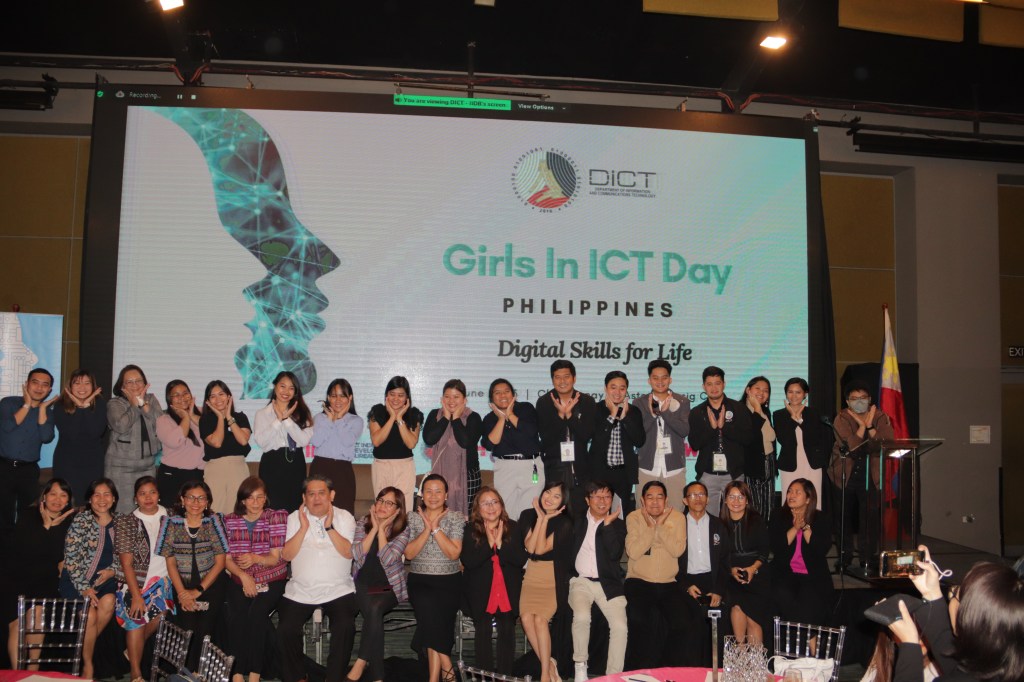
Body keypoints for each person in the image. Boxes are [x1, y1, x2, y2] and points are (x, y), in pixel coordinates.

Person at [888, 545, 1024, 682]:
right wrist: (931, 594)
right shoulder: (1002, 664)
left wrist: (910, 644)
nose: (950, 596)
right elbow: (957, 665)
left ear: (968, 619)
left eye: (953, 594)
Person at [277, 474, 357, 682]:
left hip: (338, 588)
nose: (316, 498)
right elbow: (287, 555)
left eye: (322, 493)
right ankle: (298, 677)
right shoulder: (294, 518)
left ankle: (333, 678)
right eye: (311, 494)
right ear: (304, 498)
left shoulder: (345, 517)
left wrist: (329, 527)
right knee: (285, 629)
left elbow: (348, 553)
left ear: (332, 495)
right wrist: (303, 528)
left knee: (345, 626)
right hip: (301, 589)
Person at [2, 478, 75, 670]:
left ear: (68, 500)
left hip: (45, 579)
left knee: (37, 616)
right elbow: (26, 551)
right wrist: (47, 526)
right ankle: (18, 673)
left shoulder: (70, 522)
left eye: (63, 495)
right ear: (44, 496)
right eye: (53, 494)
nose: (57, 499)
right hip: (17, 576)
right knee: (17, 624)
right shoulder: (28, 515)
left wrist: (53, 528)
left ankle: (32, 670)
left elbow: (58, 556)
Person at [157, 480, 228, 670]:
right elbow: (170, 562)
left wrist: (198, 590)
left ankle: (200, 673)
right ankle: (187, 674)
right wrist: (182, 593)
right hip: (182, 585)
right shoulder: (170, 523)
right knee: (187, 631)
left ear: (207, 501)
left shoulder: (215, 521)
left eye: (201, 498)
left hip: (211, 585)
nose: (196, 503)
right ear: (182, 500)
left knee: (204, 631)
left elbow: (220, 562)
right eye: (191, 498)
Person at [223, 476, 288, 682]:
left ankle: (254, 673)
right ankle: (236, 673)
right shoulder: (229, 520)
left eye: (260, 497)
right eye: (250, 498)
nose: (256, 502)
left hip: (272, 578)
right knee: (236, 614)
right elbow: (226, 559)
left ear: (266, 498)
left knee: (257, 613)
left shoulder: (275, 517)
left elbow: (275, 558)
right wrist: (244, 576)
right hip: (239, 578)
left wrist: (255, 558)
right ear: (242, 500)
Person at [828, 380, 894, 574]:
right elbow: (851, 447)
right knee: (843, 518)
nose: (859, 402)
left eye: (863, 398)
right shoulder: (842, 418)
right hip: (845, 474)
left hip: (871, 475)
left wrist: (870, 424)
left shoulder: (880, 417)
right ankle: (844, 557)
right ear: (847, 401)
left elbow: (886, 443)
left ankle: (868, 557)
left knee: (869, 519)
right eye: (854, 398)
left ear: (870, 399)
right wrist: (861, 426)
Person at [405, 474, 465, 682]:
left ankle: (433, 679)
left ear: (446, 495)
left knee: (434, 626)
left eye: (438, 491)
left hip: (449, 582)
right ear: (421, 495)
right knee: (432, 620)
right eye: (428, 491)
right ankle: (448, 668)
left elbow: (453, 553)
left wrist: (436, 528)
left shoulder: (456, 518)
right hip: (420, 581)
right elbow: (409, 554)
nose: (433, 496)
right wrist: (427, 528)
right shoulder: (412, 518)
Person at [348, 486, 411, 682]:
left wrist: (382, 530)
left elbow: (388, 559)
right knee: (373, 612)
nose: (383, 505)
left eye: (389, 503)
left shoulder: (402, 529)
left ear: (398, 510)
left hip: (387, 587)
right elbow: (356, 554)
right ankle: (377, 677)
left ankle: (360, 662)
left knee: (374, 609)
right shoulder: (363, 523)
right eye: (381, 500)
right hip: (362, 585)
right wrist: (374, 528)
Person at [460, 486, 525, 676]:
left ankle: (505, 676)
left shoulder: (513, 527)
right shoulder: (470, 529)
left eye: (494, 502)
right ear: (477, 508)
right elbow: (469, 562)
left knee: (507, 628)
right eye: (485, 503)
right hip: (480, 592)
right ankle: (485, 676)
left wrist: (500, 545)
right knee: (483, 628)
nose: (491, 507)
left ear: (501, 505)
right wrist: (489, 545)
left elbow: (520, 560)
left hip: (507, 590)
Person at [60, 477, 120, 679]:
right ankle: (87, 665)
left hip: (105, 582)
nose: (102, 499)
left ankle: (79, 648)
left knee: (109, 601)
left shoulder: (121, 522)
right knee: (90, 615)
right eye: (97, 495)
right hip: (76, 580)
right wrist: (84, 587)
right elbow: (71, 557)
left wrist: (113, 571)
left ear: (114, 498)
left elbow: (128, 557)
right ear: (89, 499)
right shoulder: (81, 520)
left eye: (107, 494)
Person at [623, 481, 687, 670]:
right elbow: (634, 551)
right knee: (638, 620)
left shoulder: (677, 518)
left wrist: (660, 527)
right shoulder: (634, 517)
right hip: (639, 581)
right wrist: (652, 528)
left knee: (681, 622)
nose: (655, 502)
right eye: (650, 497)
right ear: (642, 500)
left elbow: (677, 550)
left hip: (668, 582)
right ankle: (638, 671)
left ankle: (669, 671)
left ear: (666, 500)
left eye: (660, 497)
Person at [114, 476, 171, 682]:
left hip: (161, 580)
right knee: (137, 621)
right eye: (142, 493)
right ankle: (136, 674)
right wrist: (136, 595)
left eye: (152, 492)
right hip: (133, 582)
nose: (148, 497)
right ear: (135, 498)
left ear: (159, 495)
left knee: (159, 614)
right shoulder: (127, 521)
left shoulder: (171, 516)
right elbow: (126, 563)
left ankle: (132, 651)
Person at [569, 480, 627, 681]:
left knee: (620, 627)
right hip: (581, 582)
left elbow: (615, 553)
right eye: (597, 496)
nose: (603, 501)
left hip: (608, 584)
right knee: (582, 616)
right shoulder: (576, 522)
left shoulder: (618, 525)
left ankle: (614, 675)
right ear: (588, 500)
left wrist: (608, 525)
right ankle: (580, 666)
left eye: (607, 497)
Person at [519, 480, 574, 682]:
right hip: (532, 576)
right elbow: (531, 548)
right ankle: (550, 664)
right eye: (548, 492)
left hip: (553, 578)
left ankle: (545, 674)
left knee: (540, 620)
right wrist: (541, 518)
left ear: (563, 503)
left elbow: (541, 549)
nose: (549, 498)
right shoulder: (527, 515)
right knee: (526, 619)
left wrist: (544, 519)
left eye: (556, 496)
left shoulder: (565, 523)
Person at [0, 367, 60, 545]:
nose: (39, 388)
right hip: (3, 467)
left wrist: (42, 409)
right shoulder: (8, 403)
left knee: (28, 514)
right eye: (35, 382)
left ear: (49, 390)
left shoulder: (48, 412)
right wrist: (27, 405)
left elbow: (47, 437)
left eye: (45, 385)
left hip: (28, 470)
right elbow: (7, 427)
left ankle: (22, 551)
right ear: (26, 384)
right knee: (3, 514)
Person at [678, 480, 732, 667]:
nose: (698, 498)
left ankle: (717, 671)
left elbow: (725, 561)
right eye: (692, 495)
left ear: (708, 499)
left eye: (701, 494)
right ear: (685, 500)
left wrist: (718, 590)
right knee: (689, 624)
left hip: (713, 580)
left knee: (720, 620)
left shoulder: (718, 525)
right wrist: (685, 585)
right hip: (687, 581)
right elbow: (672, 561)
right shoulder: (677, 524)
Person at [688, 366, 753, 517]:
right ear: (703, 386)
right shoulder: (697, 412)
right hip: (708, 474)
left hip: (734, 473)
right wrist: (712, 429)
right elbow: (694, 444)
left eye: (717, 383)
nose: (714, 388)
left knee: (736, 516)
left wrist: (725, 427)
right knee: (709, 518)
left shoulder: (739, 408)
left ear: (724, 384)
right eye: (709, 384)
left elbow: (748, 439)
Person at [768, 479, 833, 627]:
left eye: (797, 492)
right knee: (783, 595)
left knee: (810, 601)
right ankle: (810, 638)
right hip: (784, 573)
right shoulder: (778, 515)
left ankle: (808, 638)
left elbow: (821, 549)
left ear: (808, 499)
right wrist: (795, 527)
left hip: (812, 575)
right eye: (790, 491)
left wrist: (804, 527)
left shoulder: (820, 518)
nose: (791, 495)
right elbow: (776, 547)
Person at [536, 360, 596, 512]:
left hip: (581, 469)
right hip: (554, 469)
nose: (562, 381)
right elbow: (546, 438)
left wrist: (569, 415)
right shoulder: (544, 402)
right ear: (552, 380)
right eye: (557, 377)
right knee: (556, 515)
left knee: (580, 514)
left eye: (566, 376)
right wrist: (560, 416)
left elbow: (586, 435)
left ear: (574, 378)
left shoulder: (587, 401)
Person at [480, 378, 544, 522]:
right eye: (497, 393)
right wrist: (501, 419)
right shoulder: (489, 418)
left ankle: (528, 537)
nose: (502, 395)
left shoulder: (526, 408)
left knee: (530, 511)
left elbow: (531, 431)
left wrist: (510, 414)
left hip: (531, 464)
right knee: (505, 511)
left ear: (513, 394)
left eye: (506, 391)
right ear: (491, 398)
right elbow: (490, 443)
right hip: (505, 467)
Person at [633, 359, 690, 514]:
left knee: (675, 514)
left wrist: (665, 413)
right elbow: (638, 435)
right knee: (644, 514)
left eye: (664, 377)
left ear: (670, 379)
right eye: (655, 378)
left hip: (674, 468)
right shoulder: (639, 403)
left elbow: (684, 430)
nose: (660, 381)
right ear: (649, 380)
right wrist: (652, 415)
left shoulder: (682, 401)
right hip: (646, 467)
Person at [719, 480, 772, 647]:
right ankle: (740, 655)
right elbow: (719, 556)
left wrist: (752, 569)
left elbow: (764, 551)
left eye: (741, 497)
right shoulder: (719, 524)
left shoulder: (756, 520)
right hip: (732, 577)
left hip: (757, 574)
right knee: (737, 608)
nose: (736, 501)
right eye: (732, 497)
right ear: (725, 500)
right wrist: (731, 570)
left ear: (747, 500)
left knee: (752, 619)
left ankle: (756, 661)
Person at [255, 371, 314, 514]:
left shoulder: (303, 413)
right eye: (282, 386)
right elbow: (262, 442)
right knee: (271, 509)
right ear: (275, 386)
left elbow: (303, 441)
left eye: (291, 388)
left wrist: (287, 420)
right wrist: (278, 420)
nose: (286, 391)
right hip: (271, 464)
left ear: (295, 391)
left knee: (295, 509)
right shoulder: (262, 414)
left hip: (295, 463)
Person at [106, 365, 163, 514]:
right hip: (120, 468)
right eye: (129, 382)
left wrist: (143, 403)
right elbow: (121, 426)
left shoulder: (151, 399)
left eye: (138, 380)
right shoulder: (115, 403)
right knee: (122, 513)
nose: (135, 384)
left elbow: (162, 424)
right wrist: (134, 405)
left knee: (146, 511)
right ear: (122, 385)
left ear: (144, 383)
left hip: (148, 466)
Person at [423, 379, 483, 516]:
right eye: (447, 396)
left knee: (468, 518)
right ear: (442, 399)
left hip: (467, 477)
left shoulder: (473, 417)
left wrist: (455, 418)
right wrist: (445, 417)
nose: (451, 401)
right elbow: (429, 439)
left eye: (456, 397)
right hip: (439, 476)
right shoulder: (435, 415)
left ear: (464, 400)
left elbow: (465, 442)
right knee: (438, 515)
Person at [589, 371, 645, 518]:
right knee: (598, 513)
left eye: (622, 388)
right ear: (605, 389)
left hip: (623, 474)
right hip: (600, 472)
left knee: (620, 515)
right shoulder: (595, 409)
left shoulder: (633, 411)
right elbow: (597, 440)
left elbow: (639, 441)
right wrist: (613, 416)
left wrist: (624, 417)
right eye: (613, 387)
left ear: (626, 390)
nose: (618, 392)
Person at [367, 376, 423, 513]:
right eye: (392, 394)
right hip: (381, 466)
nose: (396, 399)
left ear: (407, 398)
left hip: (404, 467)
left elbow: (411, 443)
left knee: (403, 508)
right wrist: (392, 417)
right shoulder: (377, 411)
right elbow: (376, 441)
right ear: (386, 395)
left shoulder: (414, 414)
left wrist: (399, 418)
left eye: (400, 395)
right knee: (382, 508)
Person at [52, 369, 107, 504]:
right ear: (70, 386)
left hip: (93, 462)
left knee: (90, 501)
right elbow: (71, 434)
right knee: (66, 501)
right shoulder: (60, 405)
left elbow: (96, 432)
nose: (82, 387)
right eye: (77, 383)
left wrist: (85, 407)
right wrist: (80, 408)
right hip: (66, 461)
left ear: (93, 386)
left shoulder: (100, 404)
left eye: (87, 383)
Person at [309, 378, 364, 513]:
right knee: (317, 512)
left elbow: (347, 441)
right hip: (320, 468)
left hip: (342, 471)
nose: (338, 400)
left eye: (342, 396)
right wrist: (329, 420)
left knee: (343, 513)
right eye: (334, 396)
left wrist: (339, 419)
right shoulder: (319, 418)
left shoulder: (356, 421)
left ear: (350, 398)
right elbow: (316, 441)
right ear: (328, 398)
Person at [773, 378, 827, 511]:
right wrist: (793, 417)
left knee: (814, 500)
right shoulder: (779, 414)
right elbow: (784, 440)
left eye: (798, 392)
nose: (794, 395)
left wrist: (800, 420)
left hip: (811, 463)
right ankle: (790, 525)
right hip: (789, 463)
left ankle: (812, 525)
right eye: (790, 392)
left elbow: (814, 439)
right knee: (789, 500)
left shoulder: (813, 413)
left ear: (805, 394)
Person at [199, 380, 252, 515]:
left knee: (238, 511)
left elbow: (243, 440)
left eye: (221, 394)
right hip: (215, 469)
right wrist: (219, 417)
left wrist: (228, 417)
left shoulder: (240, 417)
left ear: (229, 396)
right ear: (208, 401)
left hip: (238, 468)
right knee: (214, 510)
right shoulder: (205, 420)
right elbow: (217, 442)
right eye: (213, 396)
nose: (218, 399)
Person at [155, 380, 205, 507]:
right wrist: (186, 418)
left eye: (185, 393)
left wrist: (192, 415)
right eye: (176, 395)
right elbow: (175, 441)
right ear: (169, 399)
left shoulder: (202, 413)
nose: (182, 397)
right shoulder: (163, 420)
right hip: (172, 475)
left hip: (198, 474)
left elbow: (212, 432)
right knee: (172, 514)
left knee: (196, 512)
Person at [742, 376, 776, 521]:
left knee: (768, 509)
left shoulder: (765, 412)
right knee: (753, 509)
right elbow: (750, 437)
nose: (761, 393)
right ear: (748, 390)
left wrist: (759, 410)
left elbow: (771, 437)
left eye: (766, 390)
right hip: (751, 466)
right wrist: (756, 410)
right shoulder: (740, 410)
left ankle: (766, 534)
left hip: (768, 463)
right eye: (758, 388)